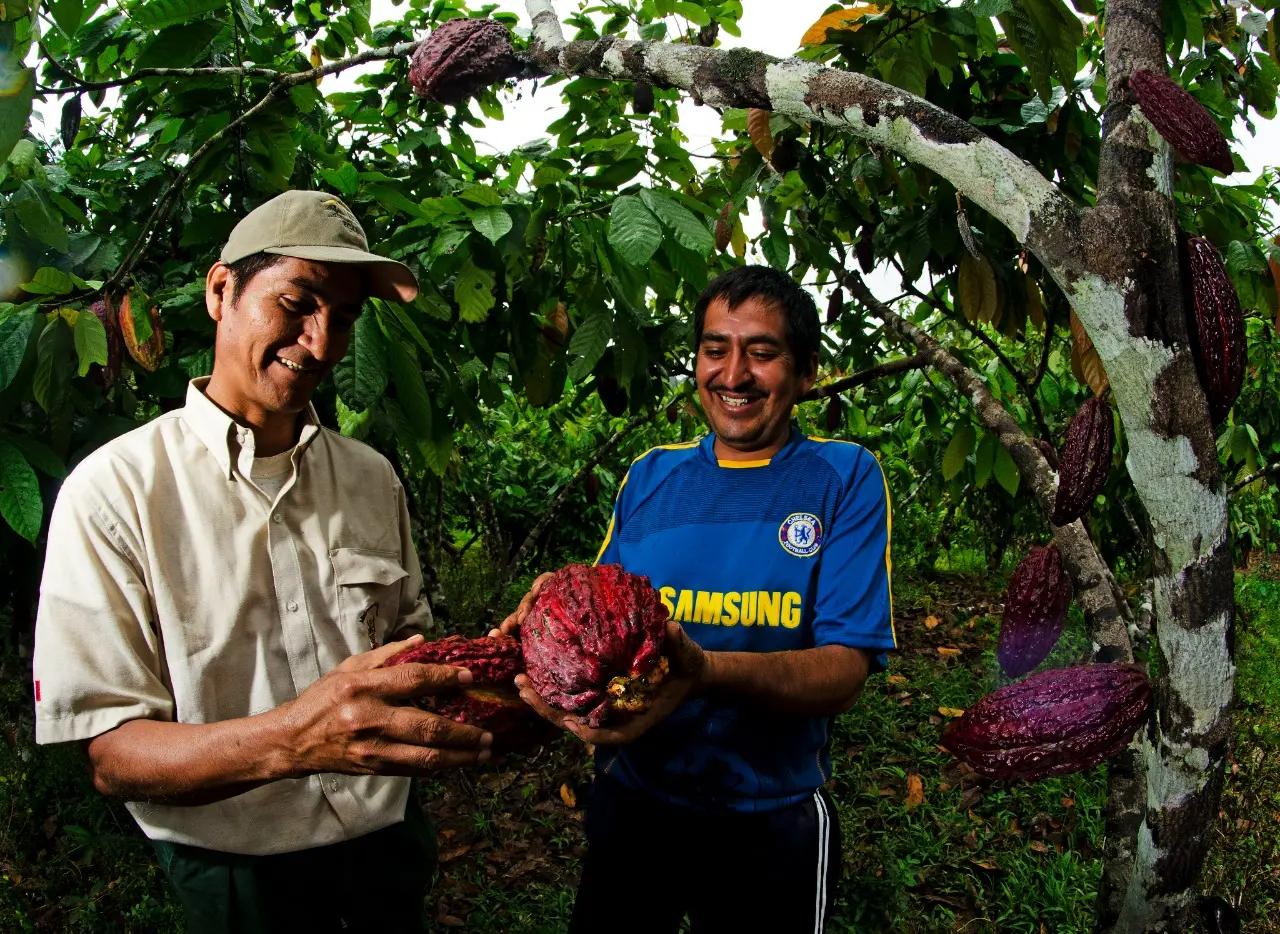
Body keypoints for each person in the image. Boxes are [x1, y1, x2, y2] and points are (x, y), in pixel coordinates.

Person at [32, 190, 492, 934]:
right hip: (236, 865)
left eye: (342, 319)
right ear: (222, 291)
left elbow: (410, 651)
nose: (318, 343)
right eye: (296, 302)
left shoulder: (370, 477)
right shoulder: (116, 491)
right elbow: (114, 756)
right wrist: (295, 739)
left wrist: (511, 669)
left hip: (387, 843)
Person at [499, 265, 897, 933]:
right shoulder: (651, 477)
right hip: (636, 800)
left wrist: (702, 670)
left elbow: (845, 669)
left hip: (769, 814)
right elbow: (596, 616)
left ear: (806, 374)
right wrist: (547, 611)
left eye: (762, 353)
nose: (733, 374)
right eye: (715, 349)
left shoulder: (843, 478)